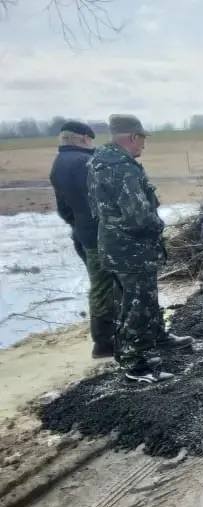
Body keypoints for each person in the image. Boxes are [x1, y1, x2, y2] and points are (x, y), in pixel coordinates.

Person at [87, 114, 193, 383]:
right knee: (136, 303)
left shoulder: (100, 162)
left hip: (115, 245)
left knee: (140, 297)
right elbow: (138, 216)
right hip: (131, 248)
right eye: (142, 139)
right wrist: (157, 225)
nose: (143, 145)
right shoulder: (122, 168)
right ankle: (135, 364)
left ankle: (156, 336)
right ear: (132, 137)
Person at [49, 121, 119, 359]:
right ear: (83, 139)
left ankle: (109, 337)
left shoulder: (58, 164)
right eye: (91, 140)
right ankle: (104, 342)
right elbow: (102, 200)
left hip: (82, 232)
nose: (93, 144)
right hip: (99, 234)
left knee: (101, 284)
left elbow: (63, 208)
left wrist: (77, 225)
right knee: (104, 285)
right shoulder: (85, 163)